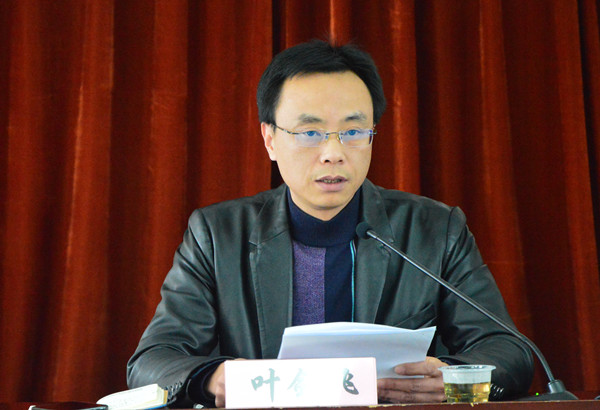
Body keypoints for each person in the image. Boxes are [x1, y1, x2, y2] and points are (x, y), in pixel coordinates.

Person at [127, 40, 534, 407]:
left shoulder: (433, 230)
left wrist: (453, 377)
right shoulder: (218, 235)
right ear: (270, 139)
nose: (333, 153)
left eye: (353, 131)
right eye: (310, 133)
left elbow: (507, 351)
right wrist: (213, 378)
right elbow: (151, 362)